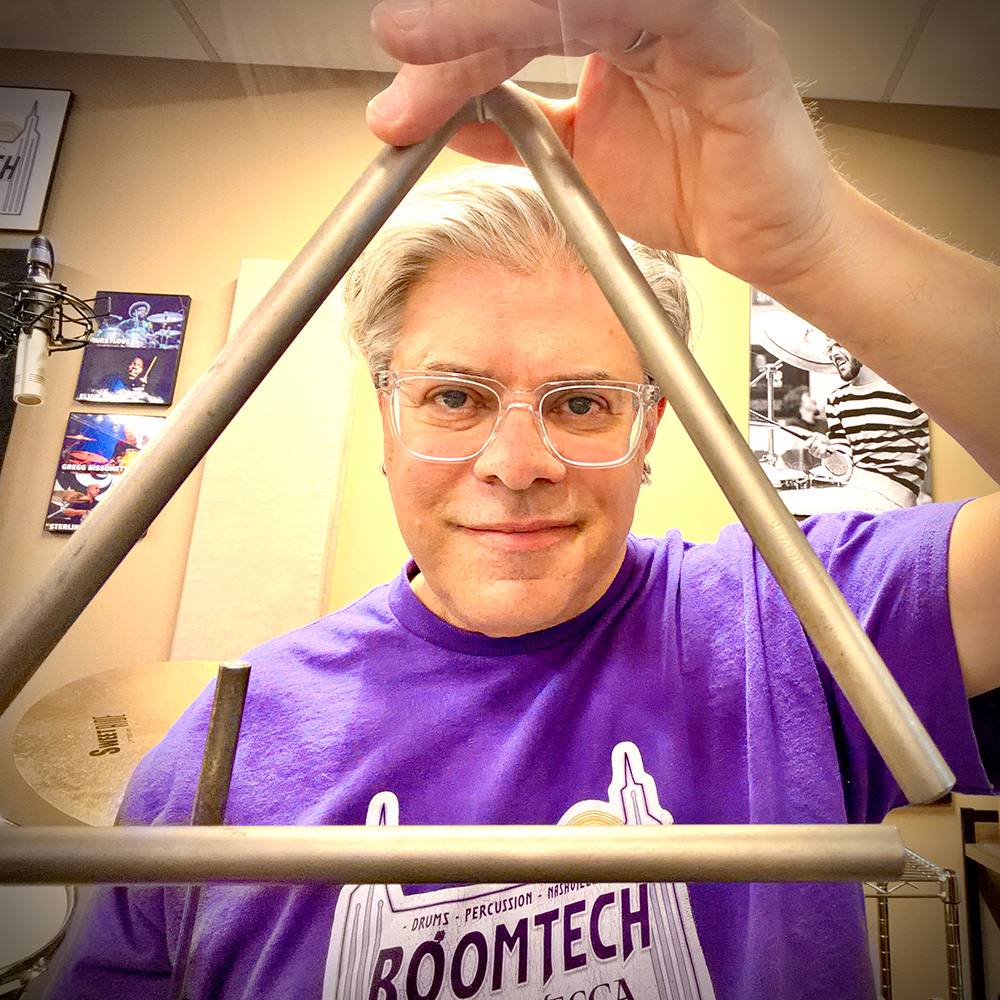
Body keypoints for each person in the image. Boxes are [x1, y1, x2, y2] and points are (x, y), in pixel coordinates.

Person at [46, 2, 1000, 998]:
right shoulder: (216, 759)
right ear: (387, 417)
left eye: (581, 402)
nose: (514, 464)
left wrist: (810, 243)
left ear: (648, 427)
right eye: (455, 397)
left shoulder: (791, 625)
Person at [805, 343, 930, 510]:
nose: (834, 353)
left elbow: (941, 448)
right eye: (829, 348)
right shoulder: (837, 399)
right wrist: (828, 454)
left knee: (789, 508)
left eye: (839, 343)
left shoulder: (907, 392)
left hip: (893, 497)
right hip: (856, 490)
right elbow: (843, 472)